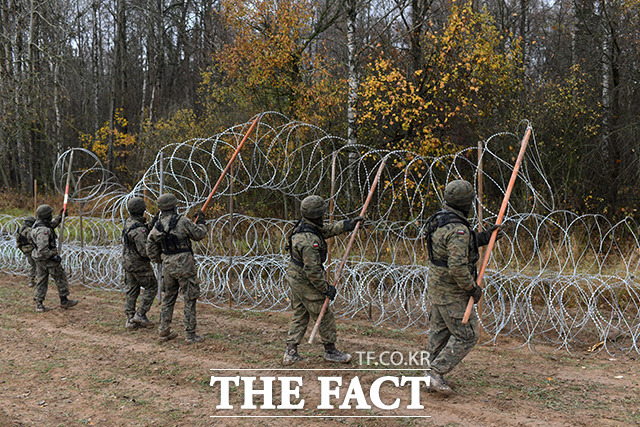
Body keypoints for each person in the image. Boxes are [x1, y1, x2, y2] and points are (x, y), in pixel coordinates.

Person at [423, 179, 503, 394]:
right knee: (467, 335)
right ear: (467, 203)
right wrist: (472, 289)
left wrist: (483, 237)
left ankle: (428, 373)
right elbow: (457, 265)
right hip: (452, 290)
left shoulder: (440, 220)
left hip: (437, 286)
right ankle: (435, 372)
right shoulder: (459, 229)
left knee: (439, 332)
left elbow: (450, 248)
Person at [283, 195, 363, 365]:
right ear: (317, 215)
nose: (323, 217)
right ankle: (330, 351)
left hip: (295, 277)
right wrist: (325, 289)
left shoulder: (305, 227)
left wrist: (347, 225)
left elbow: (327, 230)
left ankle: (290, 352)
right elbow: (312, 271)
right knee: (324, 313)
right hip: (305, 280)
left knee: (300, 313)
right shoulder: (309, 241)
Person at [146, 193, 208, 344]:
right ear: (175, 206)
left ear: (160, 209)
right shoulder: (182, 221)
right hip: (185, 265)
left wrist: (159, 259)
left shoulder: (157, 226)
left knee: (168, 298)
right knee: (190, 297)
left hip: (168, 265)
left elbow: (150, 247)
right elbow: (199, 234)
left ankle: (163, 331)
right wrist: (201, 221)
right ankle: (190, 334)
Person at [30, 204, 78, 312]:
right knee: (60, 277)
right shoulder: (43, 230)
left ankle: (39, 303)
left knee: (41, 280)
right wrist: (54, 257)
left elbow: (52, 225)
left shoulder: (38, 225)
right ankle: (64, 300)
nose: (52, 215)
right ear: (46, 216)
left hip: (39, 259)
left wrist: (60, 217)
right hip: (47, 259)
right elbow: (43, 249)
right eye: (50, 214)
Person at [122, 197, 158, 329]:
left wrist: (153, 222)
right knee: (152, 286)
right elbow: (144, 251)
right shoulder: (138, 230)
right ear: (142, 210)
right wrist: (158, 256)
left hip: (128, 262)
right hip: (138, 264)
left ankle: (130, 319)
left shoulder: (130, 222)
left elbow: (142, 229)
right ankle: (140, 314)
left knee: (132, 290)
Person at [16, 216, 37, 287]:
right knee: (36, 265)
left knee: (33, 264)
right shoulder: (29, 230)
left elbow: (18, 242)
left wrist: (22, 249)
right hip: (32, 249)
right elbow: (33, 239)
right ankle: (31, 280)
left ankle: (31, 280)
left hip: (25, 249)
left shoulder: (19, 230)